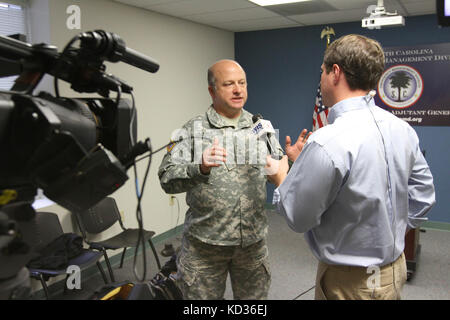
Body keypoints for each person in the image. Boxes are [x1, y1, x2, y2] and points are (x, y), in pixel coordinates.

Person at [266, 34, 436, 300]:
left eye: (321, 71)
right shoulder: (401, 128)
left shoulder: (328, 140)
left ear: (335, 73)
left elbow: (298, 218)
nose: (320, 79)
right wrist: (388, 232)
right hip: (394, 270)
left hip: (351, 282)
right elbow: (424, 196)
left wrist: (282, 178)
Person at [158, 59, 294, 300]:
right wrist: (198, 167)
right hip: (205, 247)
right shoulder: (193, 129)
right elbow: (166, 178)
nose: (238, 90)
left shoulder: (260, 127)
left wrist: (292, 161)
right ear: (212, 91)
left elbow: (279, 175)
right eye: (229, 84)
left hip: (252, 245)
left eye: (242, 83)